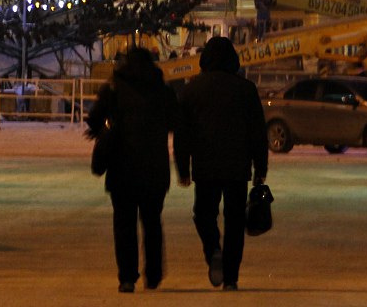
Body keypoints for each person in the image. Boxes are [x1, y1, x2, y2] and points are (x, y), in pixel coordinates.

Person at [174, 35, 268, 291]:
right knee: (235, 221)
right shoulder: (246, 89)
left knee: (204, 215)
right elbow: (258, 132)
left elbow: (183, 132)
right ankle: (231, 277)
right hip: (237, 167)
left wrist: (183, 167)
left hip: (205, 165)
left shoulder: (192, 90)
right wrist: (261, 167)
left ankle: (213, 249)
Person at [86, 47, 179, 293]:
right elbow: (175, 121)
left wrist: (108, 130)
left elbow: (93, 120)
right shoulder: (162, 91)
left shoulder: (115, 89)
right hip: (154, 167)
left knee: (124, 224)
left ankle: (127, 277)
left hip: (122, 167)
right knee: (152, 223)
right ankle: (154, 275)